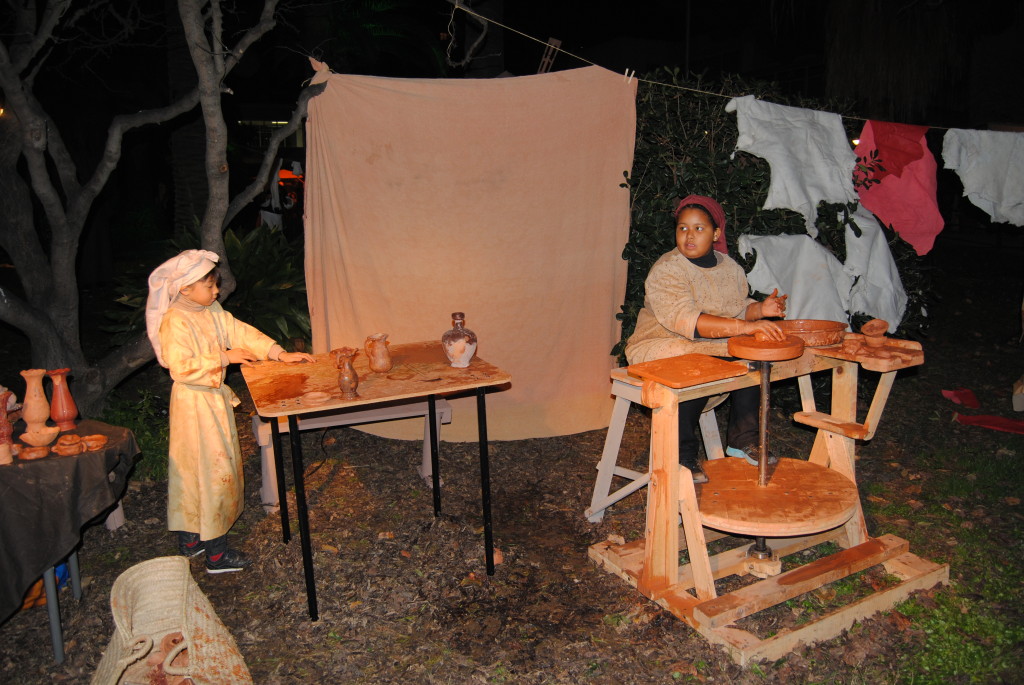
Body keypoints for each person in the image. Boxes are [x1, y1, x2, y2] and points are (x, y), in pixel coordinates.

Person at [145, 249, 315, 573]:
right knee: (211, 475)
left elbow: (239, 331)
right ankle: (216, 555)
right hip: (194, 406)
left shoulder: (209, 309)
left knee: (196, 473)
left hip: (209, 402)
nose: (217, 291)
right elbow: (180, 368)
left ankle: (191, 541)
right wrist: (224, 357)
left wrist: (278, 353)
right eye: (210, 286)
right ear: (185, 289)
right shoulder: (175, 321)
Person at [624, 195, 788, 483]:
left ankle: (743, 439)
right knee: (693, 363)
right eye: (683, 228)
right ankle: (680, 453)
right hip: (661, 343)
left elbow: (736, 310)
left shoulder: (730, 268)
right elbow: (688, 321)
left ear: (716, 234)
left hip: (708, 344)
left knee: (753, 355)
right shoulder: (668, 268)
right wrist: (744, 327)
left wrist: (761, 310)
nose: (689, 236)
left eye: (699, 229)